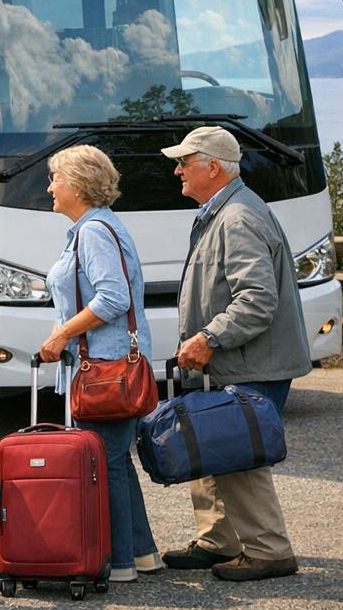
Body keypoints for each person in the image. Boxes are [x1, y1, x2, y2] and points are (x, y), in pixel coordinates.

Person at [160, 125, 311, 582]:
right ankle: (217, 541)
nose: (177, 169)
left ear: (212, 166)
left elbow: (257, 300)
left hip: (249, 364)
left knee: (240, 455)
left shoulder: (237, 217)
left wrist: (209, 338)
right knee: (215, 446)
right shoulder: (224, 211)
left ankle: (269, 551)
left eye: (185, 161)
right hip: (236, 362)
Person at [37, 145, 160, 582]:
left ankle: (120, 562)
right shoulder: (92, 228)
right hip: (106, 363)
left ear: (79, 184)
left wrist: (63, 332)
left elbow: (112, 298)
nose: (50, 186)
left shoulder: (93, 232)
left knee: (104, 462)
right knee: (114, 460)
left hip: (104, 368)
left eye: (56, 178)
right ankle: (141, 553)